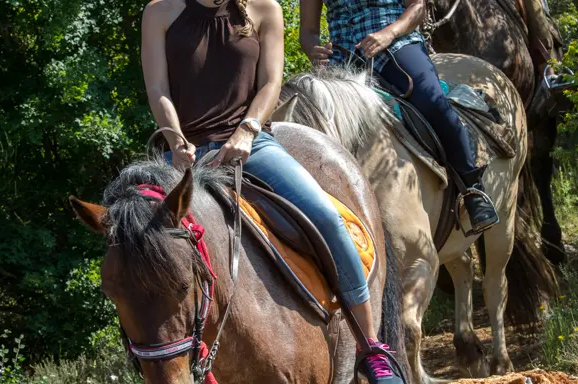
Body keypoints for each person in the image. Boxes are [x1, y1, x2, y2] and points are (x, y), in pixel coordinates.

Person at [139, 0, 403, 382]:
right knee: (140, 247)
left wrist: (246, 131)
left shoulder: (265, 9)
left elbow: (271, 83)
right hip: (183, 156)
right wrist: (176, 140)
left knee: (327, 219)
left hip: (251, 147)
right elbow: (158, 87)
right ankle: (164, 361)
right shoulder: (159, 12)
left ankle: (372, 348)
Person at [299, 0, 499, 234]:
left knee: (432, 102)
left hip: (395, 47)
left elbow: (417, 7)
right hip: (343, 60)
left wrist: (388, 34)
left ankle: (472, 189)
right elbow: (308, 30)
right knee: (307, 115)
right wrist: (313, 49)